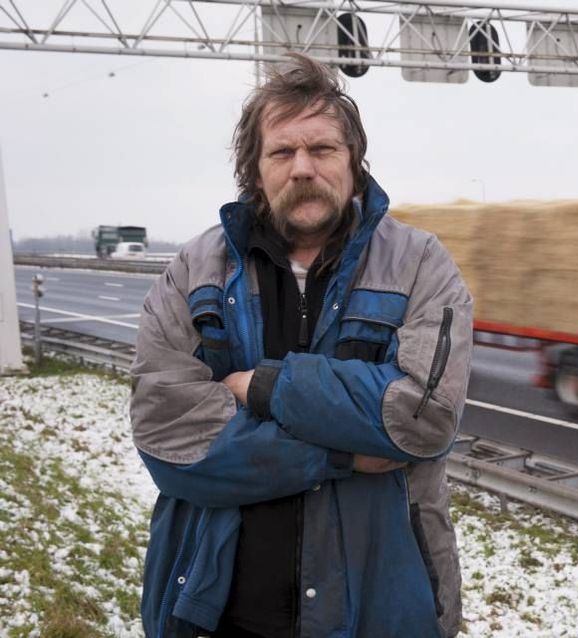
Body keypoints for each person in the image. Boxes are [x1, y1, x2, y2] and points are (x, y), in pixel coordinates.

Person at [130, 52, 472, 637]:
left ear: (354, 160)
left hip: (378, 605)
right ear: (255, 170)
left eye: (323, 149)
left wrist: (265, 387)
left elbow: (424, 416)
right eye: (282, 152)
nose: (303, 167)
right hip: (218, 610)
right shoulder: (196, 268)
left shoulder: (419, 264)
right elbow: (166, 432)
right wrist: (339, 456)